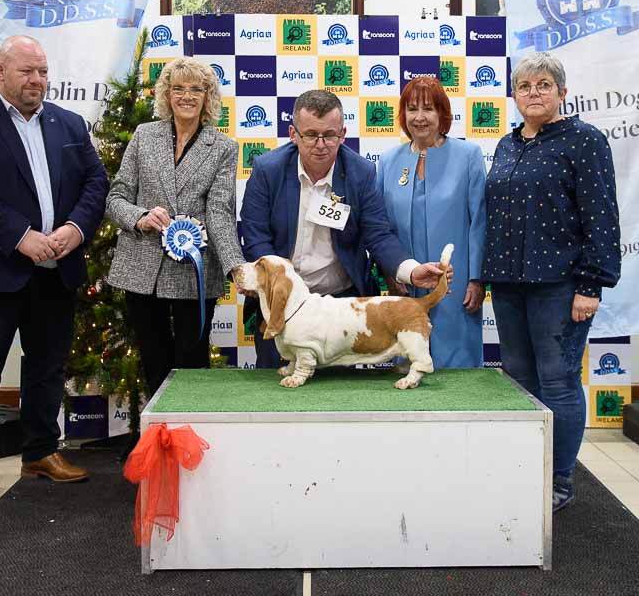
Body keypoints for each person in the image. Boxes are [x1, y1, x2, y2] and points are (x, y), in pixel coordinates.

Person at [0, 35, 109, 507]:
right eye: (27, 71)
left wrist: (75, 229)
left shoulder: (68, 123)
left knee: (47, 368)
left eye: (43, 71)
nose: (37, 80)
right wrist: (21, 236)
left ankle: (40, 453)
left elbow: (96, 181)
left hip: (55, 270)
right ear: (0, 72)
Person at [482, 52, 620, 513]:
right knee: (519, 378)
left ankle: (559, 479)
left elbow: (601, 217)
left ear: (562, 92)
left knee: (558, 381)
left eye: (544, 84)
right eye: (524, 86)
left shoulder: (585, 140)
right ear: (514, 95)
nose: (534, 93)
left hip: (560, 286)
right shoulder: (506, 144)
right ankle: (526, 467)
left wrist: (591, 286)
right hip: (508, 284)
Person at [240, 88, 451, 369]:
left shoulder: (360, 172)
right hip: (283, 302)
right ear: (293, 134)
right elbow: (256, 237)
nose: (321, 145)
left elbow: (378, 234)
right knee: (276, 384)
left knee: (342, 392)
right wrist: (275, 285)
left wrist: (411, 271)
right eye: (310, 135)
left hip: (340, 309)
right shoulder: (268, 170)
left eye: (330, 135)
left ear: (343, 134)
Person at [106, 57, 245, 396]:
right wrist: (140, 216)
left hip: (193, 273)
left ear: (207, 96)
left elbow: (220, 213)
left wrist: (235, 267)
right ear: (167, 94)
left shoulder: (224, 147)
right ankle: (156, 431)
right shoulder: (144, 135)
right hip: (141, 269)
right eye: (178, 88)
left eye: (196, 89)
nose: (187, 96)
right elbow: (116, 196)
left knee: (191, 366)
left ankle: (188, 429)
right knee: (152, 363)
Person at [377, 77, 486, 368]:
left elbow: (480, 223)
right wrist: (391, 275)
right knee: (409, 363)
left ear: (442, 113)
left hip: (456, 285)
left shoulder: (469, 156)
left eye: (428, 108)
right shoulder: (387, 161)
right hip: (406, 285)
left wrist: (476, 279)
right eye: (412, 109)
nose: (419, 117)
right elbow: (379, 228)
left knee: (458, 370)